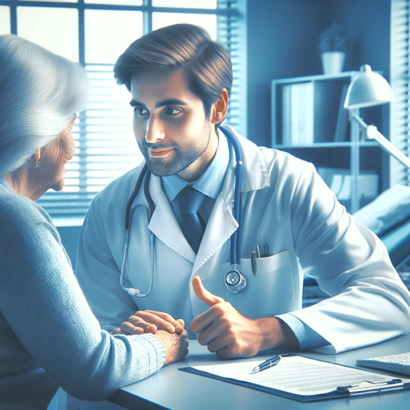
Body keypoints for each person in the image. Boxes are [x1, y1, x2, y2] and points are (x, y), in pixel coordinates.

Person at [76, 24, 410, 361]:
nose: (151, 134)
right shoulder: (109, 208)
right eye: (141, 111)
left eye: (172, 111)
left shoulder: (289, 182)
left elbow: (388, 299)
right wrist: (130, 336)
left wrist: (267, 331)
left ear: (218, 108)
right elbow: (95, 339)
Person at [0, 34, 188, 410]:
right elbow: (92, 370)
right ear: (36, 137)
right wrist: (163, 345)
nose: (72, 143)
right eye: (69, 127)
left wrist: (114, 343)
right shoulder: (16, 222)